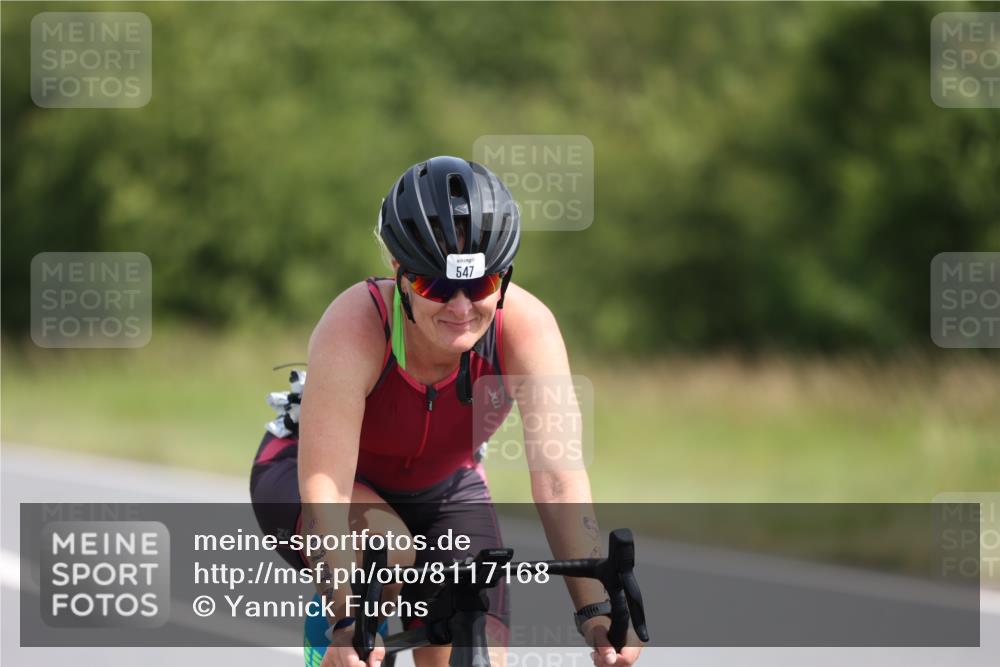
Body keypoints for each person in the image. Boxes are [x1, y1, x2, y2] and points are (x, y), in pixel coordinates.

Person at [250, 156, 643, 667]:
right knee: (385, 562)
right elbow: (327, 485)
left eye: (480, 286)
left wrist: (596, 608)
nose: (460, 308)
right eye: (436, 286)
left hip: (445, 490)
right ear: (399, 271)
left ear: (503, 277)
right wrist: (347, 613)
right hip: (316, 478)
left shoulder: (527, 328)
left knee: (474, 650)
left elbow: (560, 478)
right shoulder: (356, 324)